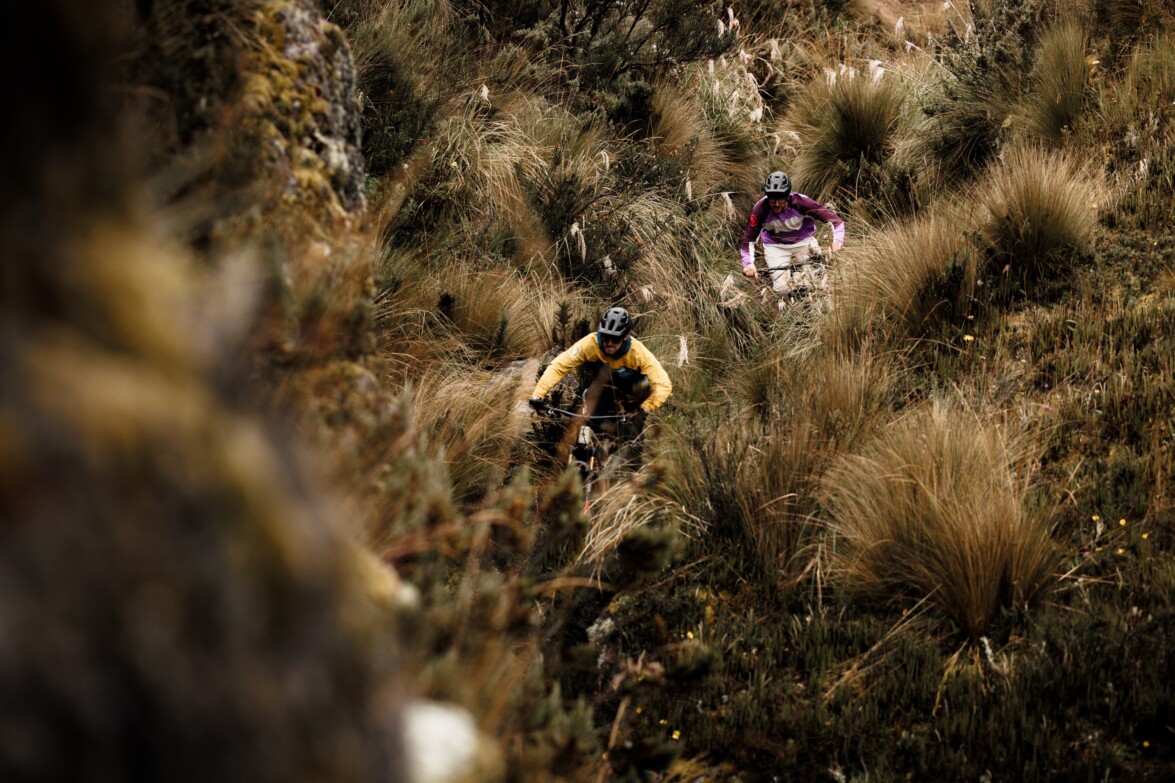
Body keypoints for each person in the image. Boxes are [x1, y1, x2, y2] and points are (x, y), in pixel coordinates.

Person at [528, 306, 672, 427]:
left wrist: (645, 409)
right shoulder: (590, 343)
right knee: (587, 426)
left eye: (615, 339)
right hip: (604, 388)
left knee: (631, 436)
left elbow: (663, 384)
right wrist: (538, 394)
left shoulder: (638, 353)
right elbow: (559, 366)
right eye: (605, 336)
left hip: (633, 394)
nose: (609, 343)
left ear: (625, 336)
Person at [738, 171, 845, 295]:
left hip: (804, 242)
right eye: (772, 201)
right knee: (782, 290)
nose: (776, 204)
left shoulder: (802, 202)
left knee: (818, 282)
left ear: (788, 196)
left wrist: (837, 242)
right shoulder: (760, 209)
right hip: (776, 246)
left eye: (780, 200)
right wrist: (748, 264)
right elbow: (748, 240)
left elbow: (836, 221)